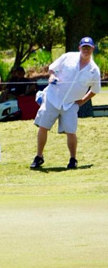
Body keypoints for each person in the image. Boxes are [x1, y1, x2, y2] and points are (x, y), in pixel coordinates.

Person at [30, 37, 101, 170]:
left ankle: (73, 159)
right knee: (43, 127)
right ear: (79, 48)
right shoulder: (68, 57)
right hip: (52, 98)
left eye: (88, 48)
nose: (86, 50)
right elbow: (52, 69)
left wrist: (82, 101)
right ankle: (39, 157)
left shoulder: (94, 70)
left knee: (71, 131)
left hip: (70, 104)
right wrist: (51, 77)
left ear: (92, 49)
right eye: (83, 47)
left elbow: (95, 90)